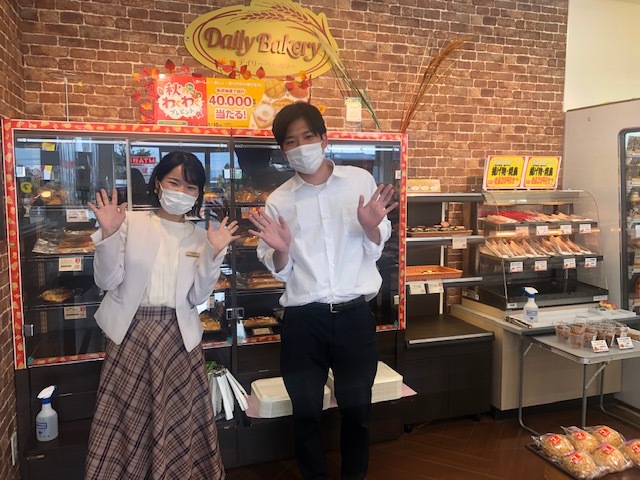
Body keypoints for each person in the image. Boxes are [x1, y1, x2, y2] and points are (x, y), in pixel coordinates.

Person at [247, 103, 398, 480]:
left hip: (354, 318)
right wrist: (282, 249)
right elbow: (280, 269)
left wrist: (370, 226)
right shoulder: (279, 200)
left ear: (324, 139)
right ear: (283, 151)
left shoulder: (359, 181)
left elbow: (377, 245)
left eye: (308, 137)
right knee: (306, 414)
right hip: (304, 322)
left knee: (358, 411)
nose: (301, 147)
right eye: (290, 142)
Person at [84, 151, 239, 480]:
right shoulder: (130, 222)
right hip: (131, 334)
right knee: (129, 419)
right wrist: (108, 235)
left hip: (178, 338)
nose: (181, 192)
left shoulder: (200, 236)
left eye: (191, 187)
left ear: (198, 194)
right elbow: (106, 281)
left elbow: (197, 297)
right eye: (174, 183)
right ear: (157, 183)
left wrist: (215, 254)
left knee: (178, 419)